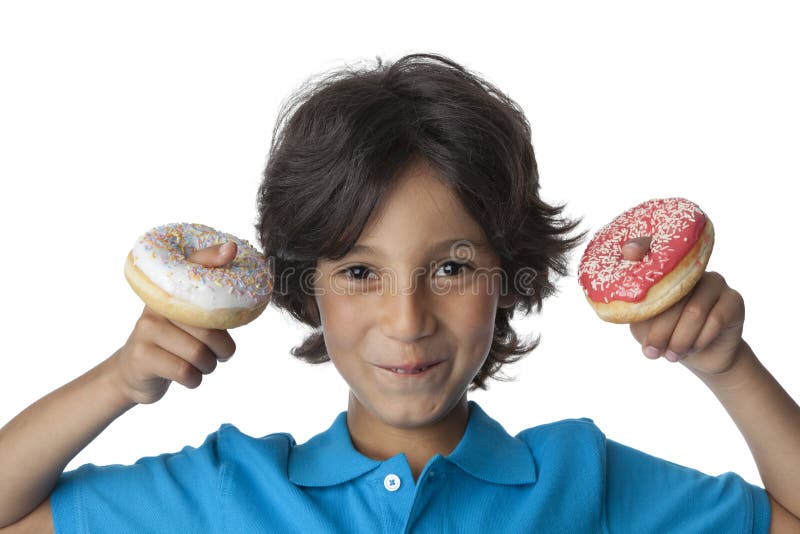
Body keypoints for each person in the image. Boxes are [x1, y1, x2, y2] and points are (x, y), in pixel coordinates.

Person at [1, 53, 799, 533]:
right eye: (358, 272)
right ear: (304, 287)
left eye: (451, 268)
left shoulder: (581, 481)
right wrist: (117, 381)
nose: (407, 319)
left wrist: (730, 366)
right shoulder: (230, 489)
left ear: (506, 276)